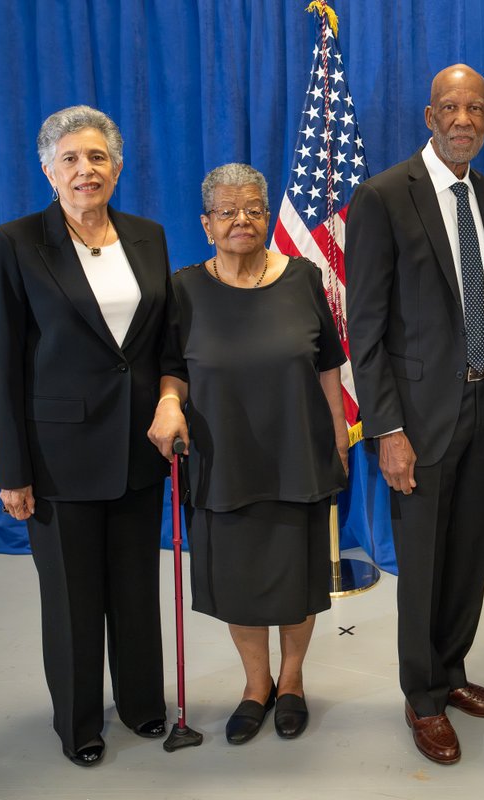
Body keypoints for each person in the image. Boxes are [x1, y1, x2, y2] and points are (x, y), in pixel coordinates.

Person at [0, 105, 170, 766]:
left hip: (138, 449)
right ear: (48, 169)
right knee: (72, 602)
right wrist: (13, 471)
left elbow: (158, 345)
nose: (85, 171)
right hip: (57, 458)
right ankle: (80, 724)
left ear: (117, 167)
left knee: (135, 589)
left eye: (97, 158)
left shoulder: (148, 236)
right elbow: (3, 363)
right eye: (71, 159)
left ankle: (146, 706)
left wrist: (170, 404)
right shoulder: (17, 242)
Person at [345, 64, 484, 766]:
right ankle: (422, 698)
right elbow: (367, 327)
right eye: (451, 107)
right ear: (429, 116)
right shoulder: (383, 197)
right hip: (415, 421)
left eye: (476, 107)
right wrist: (387, 431)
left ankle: (451, 672)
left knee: (468, 555)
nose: (463, 120)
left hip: (482, 406)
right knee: (421, 564)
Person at [147, 163, 349, 745]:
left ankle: (291, 683)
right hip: (222, 456)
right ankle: (254, 685)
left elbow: (328, 364)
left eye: (255, 209)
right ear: (206, 223)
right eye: (228, 211)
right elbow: (173, 369)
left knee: (296, 575)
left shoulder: (304, 277)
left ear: (267, 215)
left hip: (298, 451)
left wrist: (338, 431)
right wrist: (167, 403)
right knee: (239, 577)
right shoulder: (184, 288)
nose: (243, 220)